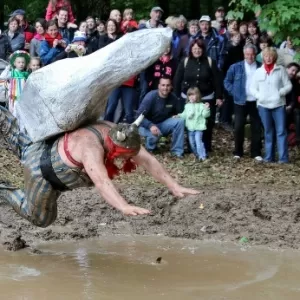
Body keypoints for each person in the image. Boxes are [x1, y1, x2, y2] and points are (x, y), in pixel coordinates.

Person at [0, 107, 200, 227]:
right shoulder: (90, 146)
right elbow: (102, 182)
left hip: (42, 147)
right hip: (40, 172)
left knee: (8, 124)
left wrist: (174, 186)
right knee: (42, 219)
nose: (125, 161)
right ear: (114, 144)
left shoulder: (117, 131)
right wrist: (123, 205)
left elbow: (147, 159)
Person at [173, 39, 223, 152]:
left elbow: (217, 80)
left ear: (203, 50)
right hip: (188, 98)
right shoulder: (185, 61)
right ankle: (191, 147)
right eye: (194, 49)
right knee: (189, 121)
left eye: (199, 49)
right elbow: (177, 79)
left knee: (206, 122)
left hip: (206, 97)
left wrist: (219, 96)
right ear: (191, 49)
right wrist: (176, 96)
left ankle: (206, 147)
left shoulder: (210, 61)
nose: (197, 51)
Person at [250, 47, 292, 163]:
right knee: (268, 131)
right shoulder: (258, 72)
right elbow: (252, 88)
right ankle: (269, 157)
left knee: (281, 131)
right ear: (263, 58)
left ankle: (283, 158)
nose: (268, 58)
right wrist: (259, 96)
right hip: (263, 106)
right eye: (266, 56)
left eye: (271, 56)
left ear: (274, 57)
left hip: (279, 105)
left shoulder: (281, 70)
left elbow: (288, 86)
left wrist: (280, 93)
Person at [224, 44, 262, 161]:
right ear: (244, 54)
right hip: (240, 101)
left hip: (256, 101)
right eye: (247, 54)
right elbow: (227, 81)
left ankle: (256, 153)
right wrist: (234, 92)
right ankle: (238, 152)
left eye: (252, 54)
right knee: (239, 127)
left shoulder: (261, 67)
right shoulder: (236, 67)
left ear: (255, 54)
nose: (250, 56)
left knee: (256, 127)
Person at [137, 77, 185, 158]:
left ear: (171, 87)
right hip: (146, 126)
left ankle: (177, 151)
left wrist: (177, 115)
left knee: (180, 121)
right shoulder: (151, 96)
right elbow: (138, 116)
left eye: (168, 85)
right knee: (154, 135)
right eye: (163, 85)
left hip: (162, 124)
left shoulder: (173, 97)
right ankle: (150, 148)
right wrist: (150, 125)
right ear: (158, 86)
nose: (165, 88)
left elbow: (180, 112)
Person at [176, 87, 210, 161]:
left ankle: (202, 156)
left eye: (193, 94)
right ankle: (197, 154)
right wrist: (178, 115)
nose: (191, 96)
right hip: (190, 128)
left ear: (198, 95)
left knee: (198, 142)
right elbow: (184, 114)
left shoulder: (201, 105)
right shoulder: (187, 106)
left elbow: (205, 115)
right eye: (189, 95)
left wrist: (206, 109)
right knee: (192, 143)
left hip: (198, 128)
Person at [0, 50, 30, 115]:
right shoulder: (12, 73)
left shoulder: (25, 74)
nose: (21, 64)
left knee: (23, 114)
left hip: (24, 98)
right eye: (18, 62)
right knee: (15, 114)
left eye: (23, 62)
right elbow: (2, 77)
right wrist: (8, 68)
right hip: (14, 98)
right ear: (14, 63)